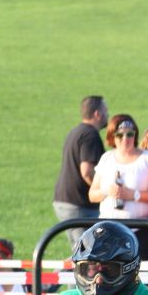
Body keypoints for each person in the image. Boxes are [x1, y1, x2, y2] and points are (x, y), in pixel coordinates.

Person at [87, 114, 148, 259]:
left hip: (140, 229)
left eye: (130, 134)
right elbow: (92, 195)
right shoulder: (106, 158)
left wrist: (133, 195)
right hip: (108, 228)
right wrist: (107, 191)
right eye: (120, 135)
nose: (125, 139)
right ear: (112, 137)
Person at [53, 96, 108, 249]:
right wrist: (99, 193)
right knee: (87, 252)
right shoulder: (91, 135)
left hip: (65, 200)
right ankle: (62, 272)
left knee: (81, 249)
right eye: (106, 111)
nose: (108, 115)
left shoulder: (76, 132)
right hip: (78, 205)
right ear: (97, 114)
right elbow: (86, 171)